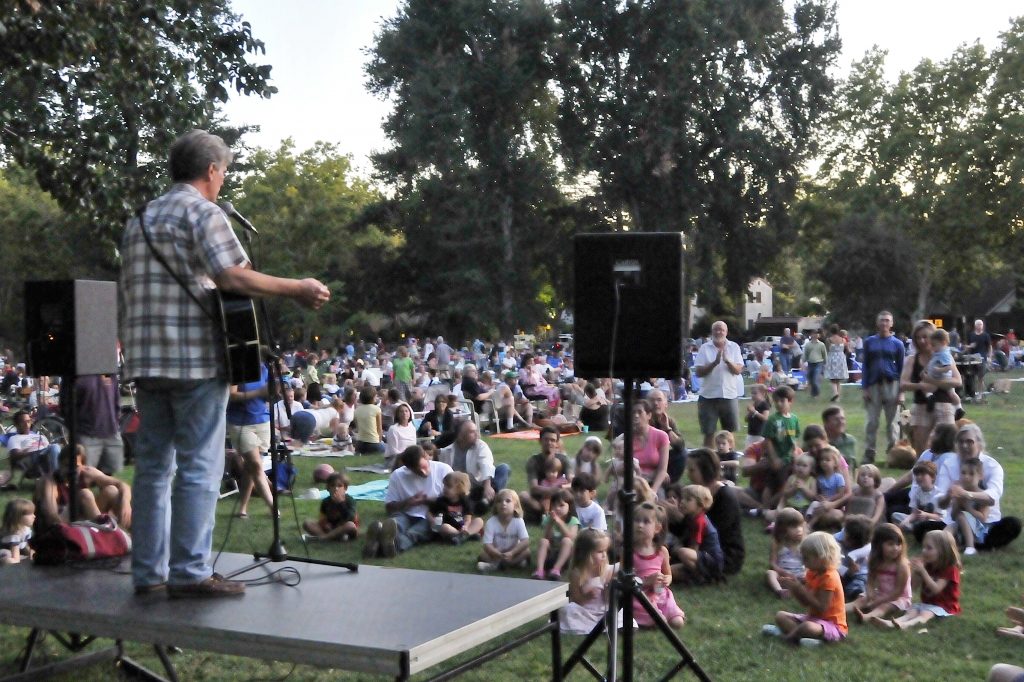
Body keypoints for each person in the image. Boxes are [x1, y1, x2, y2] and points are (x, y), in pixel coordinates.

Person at [120, 130, 329, 597]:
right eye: (224, 173)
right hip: (193, 360)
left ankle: (148, 575)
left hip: (145, 360)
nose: (222, 181)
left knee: (153, 469)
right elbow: (232, 275)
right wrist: (297, 287)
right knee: (199, 465)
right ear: (211, 170)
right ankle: (191, 573)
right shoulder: (202, 211)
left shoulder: (140, 218)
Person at [922, 422, 1022, 550]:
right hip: (956, 522)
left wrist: (966, 495)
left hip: (988, 523)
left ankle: (968, 543)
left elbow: (993, 496)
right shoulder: (949, 464)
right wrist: (949, 495)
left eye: (970, 442)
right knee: (922, 529)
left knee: (1013, 524)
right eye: (961, 442)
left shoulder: (992, 466)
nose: (965, 446)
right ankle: (971, 544)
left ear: (979, 445)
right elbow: (939, 501)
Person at [366, 445, 453, 558]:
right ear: (408, 468)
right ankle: (380, 539)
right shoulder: (398, 475)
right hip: (405, 513)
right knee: (395, 524)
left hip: (432, 516)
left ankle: (385, 546)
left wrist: (426, 501)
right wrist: (409, 502)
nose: (423, 472)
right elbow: (389, 508)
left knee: (415, 532)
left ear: (426, 457)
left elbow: (453, 503)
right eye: (417, 470)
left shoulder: (444, 470)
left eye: (424, 466)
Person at [765, 532, 848, 646]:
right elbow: (805, 603)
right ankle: (806, 640)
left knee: (807, 627)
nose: (803, 561)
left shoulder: (830, 577)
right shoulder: (811, 573)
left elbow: (822, 608)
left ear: (821, 557)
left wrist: (800, 588)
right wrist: (794, 589)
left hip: (832, 625)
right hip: (813, 619)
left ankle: (789, 636)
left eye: (806, 558)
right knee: (781, 616)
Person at [875, 529, 960, 630]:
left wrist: (923, 571)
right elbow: (912, 586)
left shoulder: (950, 569)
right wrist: (914, 571)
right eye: (923, 547)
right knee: (912, 610)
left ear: (942, 551)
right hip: (927, 603)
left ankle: (907, 625)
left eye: (929, 548)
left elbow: (936, 589)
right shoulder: (927, 566)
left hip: (944, 606)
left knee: (925, 614)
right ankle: (893, 622)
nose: (924, 551)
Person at [900, 320, 962, 456]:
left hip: (945, 405)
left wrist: (932, 382)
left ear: (935, 338)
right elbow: (903, 384)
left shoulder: (946, 357)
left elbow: (957, 381)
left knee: (947, 446)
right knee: (921, 449)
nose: (921, 341)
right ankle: (922, 474)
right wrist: (921, 385)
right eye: (918, 338)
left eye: (925, 337)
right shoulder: (912, 359)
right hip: (921, 406)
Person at [35, 444, 133, 531]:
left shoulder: (87, 473)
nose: (70, 470)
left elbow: (123, 485)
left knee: (111, 491)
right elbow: (51, 515)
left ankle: (136, 535)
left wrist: (125, 503)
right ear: (59, 464)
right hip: (59, 524)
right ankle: (106, 534)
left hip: (82, 518)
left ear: (83, 465)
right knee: (85, 494)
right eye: (66, 465)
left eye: (75, 466)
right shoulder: (50, 481)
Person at [684, 447, 745, 576]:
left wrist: (684, 516)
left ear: (706, 471)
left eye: (692, 470)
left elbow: (714, 531)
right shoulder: (696, 493)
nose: (688, 474)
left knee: (678, 561)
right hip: (701, 548)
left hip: (723, 555)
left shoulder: (725, 496)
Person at [226, 363, 274, 519]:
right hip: (239, 422)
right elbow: (231, 395)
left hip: (262, 420)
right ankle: (273, 506)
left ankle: (243, 508)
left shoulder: (263, 368)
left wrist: (273, 390)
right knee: (256, 465)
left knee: (250, 467)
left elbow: (266, 395)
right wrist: (258, 392)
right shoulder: (236, 368)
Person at [631, 501, 685, 629]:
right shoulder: (630, 552)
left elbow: (668, 573)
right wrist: (646, 582)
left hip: (660, 593)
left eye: (645, 522)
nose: (640, 525)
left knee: (678, 622)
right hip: (640, 594)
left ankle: (663, 614)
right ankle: (652, 618)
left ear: (657, 528)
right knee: (659, 620)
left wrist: (667, 579)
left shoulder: (661, 551)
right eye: (637, 521)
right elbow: (624, 579)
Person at [438, 420, 509, 514]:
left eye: (476, 430)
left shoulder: (481, 446)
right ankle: (483, 503)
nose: (477, 434)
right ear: (460, 435)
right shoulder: (447, 452)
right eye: (472, 432)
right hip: (460, 491)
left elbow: (486, 464)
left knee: (503, 468)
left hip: (479, 485)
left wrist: (487, 486)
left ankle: (486, 500)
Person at [861, 310, 905, 464]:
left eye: (887, 320)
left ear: (891, 323)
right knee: (871, 421)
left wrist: (902, 392)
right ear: (877, 323)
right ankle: (869, 453)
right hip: (873, 385)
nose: (884, 323)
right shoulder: (869, 342)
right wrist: (864, 387)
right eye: (882, 320)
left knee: (892, 422)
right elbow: (865, 366)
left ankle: (893, 454)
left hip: (892, 385)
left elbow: (902, 369)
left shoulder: (898, 344)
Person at [559, 528, 620, 635]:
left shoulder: (608, 570)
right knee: (569, 609)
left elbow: (607, 600)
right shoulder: (577, 573)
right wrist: (587, 597)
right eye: (600, 551)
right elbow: (576, 599)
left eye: (605, 551)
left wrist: (608, 590)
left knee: (620, 611)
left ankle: (606, 626)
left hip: (603, 611)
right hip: (585, 612)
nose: (604, 555)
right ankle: (587, 627)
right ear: (586, 553)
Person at [849, 523, 912, 625]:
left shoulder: (902, 565)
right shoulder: (875, 561)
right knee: (861, 600)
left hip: (899, 598)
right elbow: (870, 581)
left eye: (898, 544)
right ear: (878, 545)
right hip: (881, 593)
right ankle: (840, 609)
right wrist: (870, 593)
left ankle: (866, 617)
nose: (896, 548)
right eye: (891, 544)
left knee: (884, 607)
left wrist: (877, 602)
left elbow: (897, 592)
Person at [694, 321, 743, 447]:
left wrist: (727, 361)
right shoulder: (704, 348)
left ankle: (729, 460)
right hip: (708, 396)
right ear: (712, 332)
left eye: (721, 329)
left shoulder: (734, 347)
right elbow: (699, 372)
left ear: (726, 332)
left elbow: (738, 370)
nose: (718, 332)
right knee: (709, 432)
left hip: (729, 395)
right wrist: (715, 363)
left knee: (729, 433)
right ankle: (708, 461)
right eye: (716, 329)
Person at [62, 374, 124, 474]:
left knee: (110, 478)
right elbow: (65, 405)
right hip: (86, 435)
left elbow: (116, 399)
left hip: (111, 432)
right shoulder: (74, 374)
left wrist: (115, 421)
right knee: (84, 477)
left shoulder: (109, 371)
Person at [668, 484, 725, 586]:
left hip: (711, 560)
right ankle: (693, 577)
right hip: (697, 560)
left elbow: (693, 548)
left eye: (688, 499)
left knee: (682, 552)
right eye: (683, 498)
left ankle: (703, 577)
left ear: (700, 504)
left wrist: (676, 551)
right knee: (668, 571)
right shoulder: (691, 518)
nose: (682, 502)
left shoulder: (699, 521)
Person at [521, 427, 574, 520]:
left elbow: (572, 482)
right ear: (540, 441)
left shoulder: (563, 459)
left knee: (569, 495)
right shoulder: (533, 461)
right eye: (546, 439)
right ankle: (545, 513)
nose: (549, 443)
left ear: (557, 443)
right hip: (540, 499)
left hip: (559, 497)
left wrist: (561, 488)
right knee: (523, 496)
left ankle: (548, 514)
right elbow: (534, 488)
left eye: (552, 440)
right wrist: (552, 490)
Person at [477, 489, 530, 572]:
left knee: (526, 552)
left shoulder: (518, 521)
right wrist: (496, 552)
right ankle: (507, 564)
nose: (503, 504)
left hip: (513, 552)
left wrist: (512, 553)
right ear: (495, 506)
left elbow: (525, 541)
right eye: (499, 501)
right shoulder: (491, 522)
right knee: (483, 555)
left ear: (515, 505)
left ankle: (501, 565)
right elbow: (487, 544)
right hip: (496, 552)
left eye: (508, 501)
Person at [532, 489, 578, 580]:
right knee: (543, 541)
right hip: (550, 555)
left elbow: (571, 537)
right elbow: (547, 537)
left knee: (567, 541)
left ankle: (556, 569)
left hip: (565, 557)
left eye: (561, 505)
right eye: (554, 505)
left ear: (570, 507)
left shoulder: (573, 521)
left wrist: (559, 522)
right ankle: (540, 570)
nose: (557, 508)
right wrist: (550, 524)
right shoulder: (548, 519)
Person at [949, 457, 990, 556]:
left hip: (979, 531)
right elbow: (953, 516)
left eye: (971, 474)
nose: (966, 477)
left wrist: (967, 507)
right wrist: (957, 503)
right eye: (963, 473)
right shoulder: (959, 492)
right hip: (961, 528)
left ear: (980, 476)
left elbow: (983, 518)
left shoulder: (981, 495)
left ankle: (970, 547)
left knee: (961, 516)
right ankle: (943, 544)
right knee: (950, 526)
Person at [301, 472, 358, 542]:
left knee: (350, 525)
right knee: (307, 523)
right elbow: (322, 518)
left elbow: (351, 517)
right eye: (333, 485)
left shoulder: (350, 500)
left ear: (345, 488)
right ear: (328, 488)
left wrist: (340, 503)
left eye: (340, 486)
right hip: (330, 529)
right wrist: (325, 524)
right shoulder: (326, 501)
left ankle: (324, 538)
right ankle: (328, 537)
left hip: (344, 528)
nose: (336, 488)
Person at [429, 471, 483, 544]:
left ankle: (463, 536)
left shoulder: (465, 501)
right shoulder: (440, 501)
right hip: (450, 529)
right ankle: (465, 536)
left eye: (448, 486)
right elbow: (429, 512)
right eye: (444, 485)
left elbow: (468, 517)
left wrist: (465, 526)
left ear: (459, 489)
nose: (445, 488)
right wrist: (432, 521)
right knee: (445, 527)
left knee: (479, 521)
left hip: (462, 527)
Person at [630, 399, 670, 497]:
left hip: (653, 482)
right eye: (633, 413)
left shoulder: (661, 436)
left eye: (640, 412)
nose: (636, 416)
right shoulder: (625, 438)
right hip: (631, 482)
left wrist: (653, 491)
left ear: (649, 415)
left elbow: (662, 469)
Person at [5, 410, 61, 478]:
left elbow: (50, 449)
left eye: (28, 421)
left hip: (47, 457)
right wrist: (29, 451)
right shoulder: (14, 438)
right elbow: (14, 455)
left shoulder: (40, 436)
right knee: (55, 447)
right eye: (23, 422)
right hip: (34, 461)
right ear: (16, 424)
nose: (27, 424)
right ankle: (56, 478)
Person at [647, 389, 686, 483]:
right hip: (645, 457)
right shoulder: (643, 420)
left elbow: (680, 446)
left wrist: (667, 429)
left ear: (666, 404)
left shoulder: (669, 421)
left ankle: (670, 484)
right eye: (652, 400)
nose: (655, 403)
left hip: (662, 456)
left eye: (659, 400)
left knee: (682, 454)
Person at [766, 507, 806, 598]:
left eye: (800, 526)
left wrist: (806, 574)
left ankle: (807, 589)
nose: (799, 529)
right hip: (783, 575)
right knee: (770, 573)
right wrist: (784, 573)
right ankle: (780, 591)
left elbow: (808, 562)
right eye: (794, 526)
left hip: (800, 576)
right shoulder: (777, 543)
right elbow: (772, 563)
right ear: (782, 528)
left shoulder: (804, 543)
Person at [0, 498, 35, 565]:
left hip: (17, 550)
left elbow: (26, 545)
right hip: (6, 551)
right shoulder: (14, 534)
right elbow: (15, 553)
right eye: (30, 514)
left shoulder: (26, 529)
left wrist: (31, 554)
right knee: (9, 558)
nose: (34, 516)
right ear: (18, 517)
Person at [822, 406, 857, 471]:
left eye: (842, 418)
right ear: (826, 423)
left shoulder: (850, 440)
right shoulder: (818, 443)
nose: (841, 422)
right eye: (836, 419)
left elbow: (853, 467)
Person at [352, 386, 384, 454]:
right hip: (373, 443)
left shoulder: (357, 410)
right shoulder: (376, 409)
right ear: (373, 397)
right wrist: (379, 441)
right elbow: (379, 429)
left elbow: (358, 428)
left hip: (360, 443)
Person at [384, 402, 417, 468]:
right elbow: (393, 450)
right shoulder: (393, 429)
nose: (404, 413)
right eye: (401, 411)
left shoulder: (412, 428)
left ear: (410, 414)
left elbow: (414, 445)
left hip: (410, 456)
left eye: (406, 411)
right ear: (397, 415)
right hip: (395, 458)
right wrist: (405, 456)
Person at [823, 324, 850, 402]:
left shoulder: (829, 340)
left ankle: (835, 393)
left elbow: (827, 349)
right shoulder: (843, 340)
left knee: (832, 378)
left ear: (831, 331)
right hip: (841, 358)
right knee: (838, 380)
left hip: (832, 357)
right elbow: (847, 350)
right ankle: (838, 398)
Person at [965, 318, 993, 389]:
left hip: (982, 358)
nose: (980, 326)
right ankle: (972, 393)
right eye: (979, 324)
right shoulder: (971, 335)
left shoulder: (986, 335)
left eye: (981, 324)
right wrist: (970, 346)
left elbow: (990, 347)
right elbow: (966, 347)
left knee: (980, 377)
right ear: (975, 326)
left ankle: (980, 395)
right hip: (972, 358)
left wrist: (989, 357)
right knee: (971, 377)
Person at [802, 330, 827, 398]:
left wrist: (825, 364)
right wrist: (803, 362)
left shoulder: (821, 344)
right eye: (814, 334)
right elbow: (805, 354)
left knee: (815, 379)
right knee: (811, 379)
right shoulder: (808, 344)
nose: (815, 335)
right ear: (811, 335)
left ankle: (817, 394)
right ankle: (813, 394)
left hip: (819, 363)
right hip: (810, 363)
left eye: (816, 334)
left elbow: (824, 354)